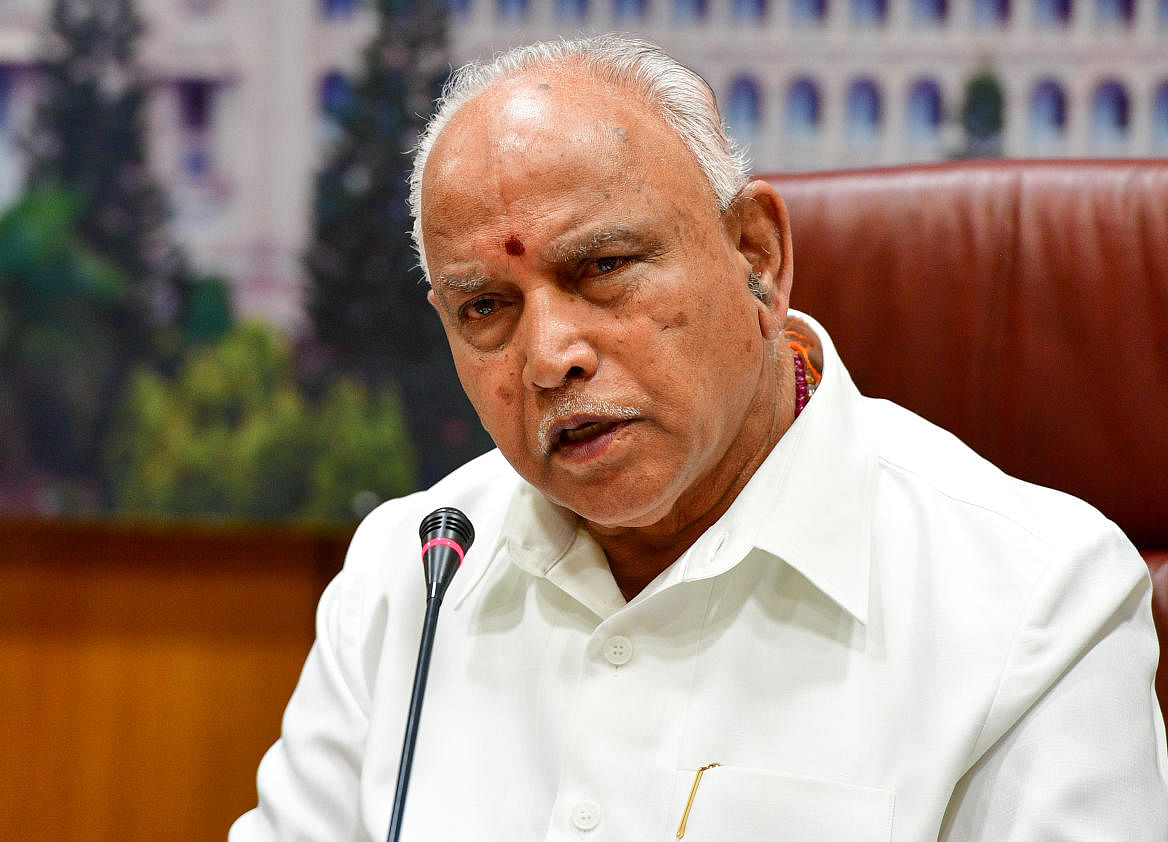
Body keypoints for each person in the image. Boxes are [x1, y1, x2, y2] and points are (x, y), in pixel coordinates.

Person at [231, 35, 1168, 840]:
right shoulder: (413, 573)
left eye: (603, 266)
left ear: (758, 254)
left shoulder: (1038, 600)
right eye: (486, 306)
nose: (549, 356)